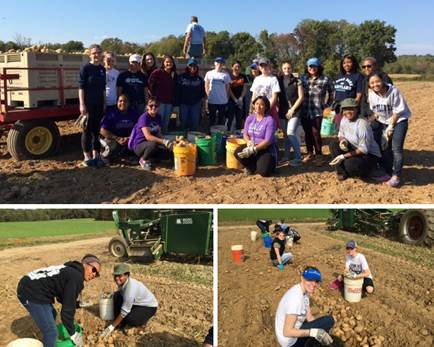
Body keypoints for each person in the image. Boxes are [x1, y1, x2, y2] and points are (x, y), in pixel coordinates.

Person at [17, 254, 102, 347]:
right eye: (93, 270)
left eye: (97, 274)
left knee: (52, 315)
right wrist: (73, 334)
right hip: (30, 291)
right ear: (84, 263)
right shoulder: (76, 277)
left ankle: (50, 341)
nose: (94, 274)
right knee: (51, 333)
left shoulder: (70, 270)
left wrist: (78, 304)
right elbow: (66, 313)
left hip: (31, 285)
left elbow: (62, 298)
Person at [368, 73, 411, 187]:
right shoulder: (372, 94)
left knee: (396, 148)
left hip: (399, 120)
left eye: (377, 81)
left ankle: (396, 175)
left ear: (382, 81)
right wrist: (367, 122)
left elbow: (398, 111)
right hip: (384, 121)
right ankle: (388, 172)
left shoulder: (393, 91)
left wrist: (391, 127)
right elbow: (376, 112)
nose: (375, 84)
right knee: (384, 147)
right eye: (372, 83)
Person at [275, 267, 335, 347]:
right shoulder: (296, 299)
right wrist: (313, 332)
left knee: (328, 321)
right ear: (302, 278)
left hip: (295, 329)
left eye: (316, 281)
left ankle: (314, 342)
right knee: (328, 321)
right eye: (310, 280)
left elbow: (309, 317)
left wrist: (319, 330)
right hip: (290, 342)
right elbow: (287, 332)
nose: (313, 284)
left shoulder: (305, 293)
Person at [328, 98, 383, 181]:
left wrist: (343, 156)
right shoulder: (344, 119)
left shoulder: (362, 124)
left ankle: (369, 170)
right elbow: (341, 134)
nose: (348, 112)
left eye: (351, 109)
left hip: (369, 154)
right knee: (333, 145)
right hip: (354, 147)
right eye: (345, 109)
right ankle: (342, 172)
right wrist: (343, 141)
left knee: (350, 164)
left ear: (356, 109)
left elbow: (364, 150)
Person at [100, 263, 158, 338]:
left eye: (120, 276)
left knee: (130, 319)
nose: (117, 278)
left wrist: (111, 326)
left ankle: (141, 323)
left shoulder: (130, 289)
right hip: (136, 302)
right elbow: (120, 294)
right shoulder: (124, 283)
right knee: (116, 297)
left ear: (127, 275)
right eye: (115, 276)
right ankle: (120, 322)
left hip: (148, 306)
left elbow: (124, 311)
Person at [300, 57, 334, 163]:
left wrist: (327, 106)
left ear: (319, 67)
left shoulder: (325, 79)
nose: (312, 68)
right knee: (307, 133)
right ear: (307, 67)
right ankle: (310, 153)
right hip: (304, 110)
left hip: (318, 111)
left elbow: (332, 93)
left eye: (315, 66)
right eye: (310, 66)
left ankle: (319, 154)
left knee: (316, 132)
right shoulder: (302, 78)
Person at [234, 96, 278, 177]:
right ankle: (251, 167)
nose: (258, 106)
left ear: (266, 107)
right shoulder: (250, 118)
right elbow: (245, 133)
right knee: (237, 152)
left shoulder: (269, 120)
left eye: (262, 105)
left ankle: (269, 165)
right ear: (253, 105)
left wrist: (254, 149)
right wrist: (248, 142)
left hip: (265, 149)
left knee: (263, 172)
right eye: (257, 104)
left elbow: (267, 141)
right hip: (252, 146)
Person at [78, 44, 106, 168]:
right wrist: (82, 104)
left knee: (96, 131)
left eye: (98, 53)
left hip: (99, 104)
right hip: (88, 105)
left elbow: (103, 88)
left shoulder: (102, 69)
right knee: (87, 131)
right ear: (90, 54)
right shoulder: (85, 68)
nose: (96, 55)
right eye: (94, 53)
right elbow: (81, 88)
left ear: (101, 54)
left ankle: (96, 156)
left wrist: (104, 103)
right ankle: (87, 157)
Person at [128, 97, 174, 171]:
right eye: (151, 105)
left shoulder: (158, 117)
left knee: (168, 153)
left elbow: (159, 133)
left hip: (150, 144)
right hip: (139, 145)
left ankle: (151, 158)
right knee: (153, 144)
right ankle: (143, 159)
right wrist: (163, 142)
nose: (153, 107)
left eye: (156, 106)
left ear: (159, 107)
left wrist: (166, 142)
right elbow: (148, 137)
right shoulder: (144, 117)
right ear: (147, 107)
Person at [277, 60, 304, 166]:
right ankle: (287, 156)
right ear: (282, 69)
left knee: (290, 132)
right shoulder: (278, 80)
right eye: (284, 68)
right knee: (286, 135)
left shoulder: (297, 80)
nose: (287, 70)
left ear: (292, 69)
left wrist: (292, 109)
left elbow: (301, 97)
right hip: (283, 111)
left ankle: (298, 157)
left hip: (296, 111)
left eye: (289, 68)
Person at [99, 94, 139, 162]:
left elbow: (138, 129)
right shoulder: (111, 113)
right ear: (117, 103)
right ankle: (104, 156)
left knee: (138, 145)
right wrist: (117, 138)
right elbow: (102, 130)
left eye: (125, 101)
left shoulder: (134, 113)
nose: (122, 103)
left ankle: (123, 155)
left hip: (128, 138)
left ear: (129, 103)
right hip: (113, 138)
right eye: (120, 101)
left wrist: (129, 138)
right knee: (113, 147)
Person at [148, 55, 177, 134]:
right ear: (163, 63)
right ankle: (157, 138)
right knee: (158, 121)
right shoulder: (157, 72)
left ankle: (165, 139)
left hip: (169, 102)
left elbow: (175, 88)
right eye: (167, 62)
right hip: (159, 102)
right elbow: (150, 85)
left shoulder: (174, 74)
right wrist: (153, 98)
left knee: (166, 122)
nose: (169, 63)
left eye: (170, 62)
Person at [334, 54, 364, 128]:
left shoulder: (358, 76)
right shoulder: (339, 75)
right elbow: (336, 91)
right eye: (344, 63)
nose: (346, 65)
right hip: (338, 107)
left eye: (349, 62)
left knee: (351, 129)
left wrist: (352, 109)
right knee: (341, 129)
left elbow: (359, 95)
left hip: (349, 108)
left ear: (354, 63)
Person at [250, 58, 281, 130]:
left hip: (269, 108)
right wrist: (254, 106)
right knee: (257, 129)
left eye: (266, 65)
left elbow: (274, 96)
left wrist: (267, 109)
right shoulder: (257, 79)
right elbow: (254, 94)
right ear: (259, 68)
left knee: (272, 130)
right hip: (257, 108)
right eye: (262, 66)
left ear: (269, 66)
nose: (264, 68)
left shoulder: (273, 79)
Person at [176, 58, 206, 131]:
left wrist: (204, 107)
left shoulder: (199, 79)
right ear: (187, 67)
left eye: (194, 66)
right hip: (184, 104)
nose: (192, 68)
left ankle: (192, 138)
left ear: (197, 68)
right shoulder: (181, 77)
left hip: (195, 104)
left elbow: (203, 94)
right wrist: (177, 105)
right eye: (190, 66)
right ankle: (183, 138)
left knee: (195, 122)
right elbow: (177, 91)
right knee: (183, 122)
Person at [204, 57, 231, 126]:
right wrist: (208, 96)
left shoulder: (226, 75)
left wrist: (226, 98)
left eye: (221, 62)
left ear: (223, 64)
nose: (219, 64)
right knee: (212, 120)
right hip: (212, 101)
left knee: (221, 121)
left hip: (222, 102)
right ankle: (211, 134)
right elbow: (206, 85)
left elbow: (228, 88)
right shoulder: (209, 73)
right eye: (218, 62)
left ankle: (220, 135)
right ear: (215, 63)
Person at [227, 61, 248, 131]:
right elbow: (228, 89)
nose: (237, 68)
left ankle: (238, 135)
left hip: (240, 101)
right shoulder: (228, 76)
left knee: (239, 119)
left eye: (239, 66)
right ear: (232, 67)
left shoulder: (243, 76)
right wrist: (235, 99)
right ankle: (228, 133)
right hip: (231, 100)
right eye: (235, 66)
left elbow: (245, 88)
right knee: (230, 118)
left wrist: (241, 98)